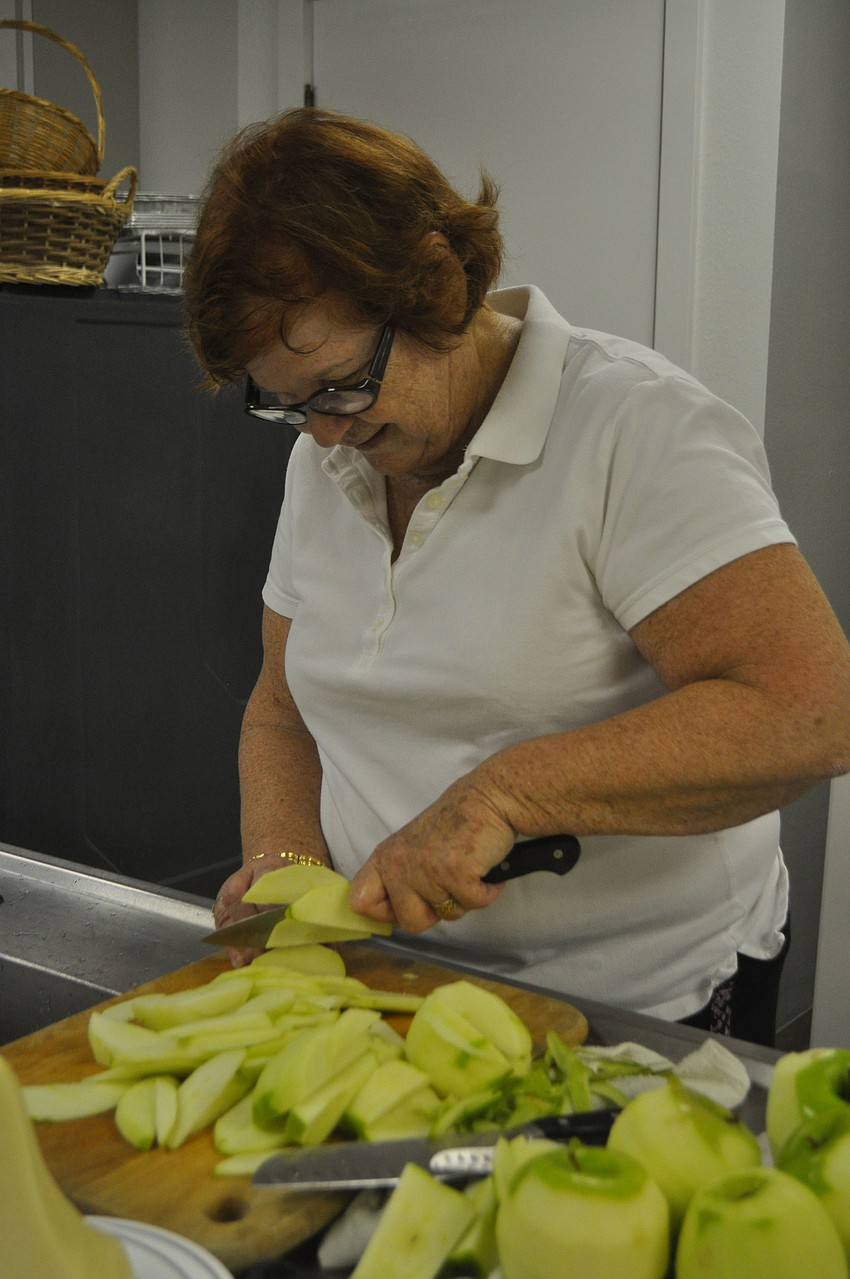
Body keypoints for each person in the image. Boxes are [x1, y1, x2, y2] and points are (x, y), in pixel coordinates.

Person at [183, 107, 850, 1046]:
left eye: (336, 384)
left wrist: (505, 794)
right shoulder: (329, 456)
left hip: (635, 1007)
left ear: (434, 285)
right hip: (387, 986)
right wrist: (285, 865)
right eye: (285, 405)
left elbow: (811, 710)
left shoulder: (639, 433)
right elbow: (282, 703)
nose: (323, 430)